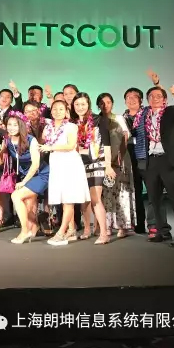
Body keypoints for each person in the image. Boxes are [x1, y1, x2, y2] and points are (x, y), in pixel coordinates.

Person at [140, 84, 174, 248]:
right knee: (154, 199)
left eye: (159, 96)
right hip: (151, 160)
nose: (155, 99)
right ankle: (162, 231)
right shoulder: (145, 115)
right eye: (151, 96)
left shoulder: (170, 112)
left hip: (167, 160)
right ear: (147, 100)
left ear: (164, 99)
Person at [39, 100, 90, 246]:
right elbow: (42, 141)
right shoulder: (48, 127)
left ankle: (61, 233)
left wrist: (50, 147)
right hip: (56, 164)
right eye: (55, 109)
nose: (57, 111)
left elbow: (70, 145)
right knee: (63, 199)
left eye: (61, 109)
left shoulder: (71, 126)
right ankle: (71, 230)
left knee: (68, 199)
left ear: (66, 111)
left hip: (70, 164)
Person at [70, 92, 115, 245]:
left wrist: (108, 165)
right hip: (79, 163)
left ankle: (103, 233)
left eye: (83, 104)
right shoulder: (72, 122)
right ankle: (87, 230)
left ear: (88, 104)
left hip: (97, 162)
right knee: (84, 199)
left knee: (95, 198)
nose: (80, 107)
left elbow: (107, 144)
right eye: (77, 104)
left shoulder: (99, 120)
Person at [123, 86, 166, 236]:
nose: (131, 100)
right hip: (130, 160)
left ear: (141, 100)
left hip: (147, 157)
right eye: (128, 97)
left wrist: (158, 84)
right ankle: (138, 224)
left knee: (154, 193)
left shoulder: (148, 113)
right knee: (135, 194)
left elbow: (162, 106)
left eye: (135, 97)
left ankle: (154, 224)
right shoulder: (122, 119)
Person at [5, 113, 49, 244]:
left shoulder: (31, 140)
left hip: (41, 174)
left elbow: (35, 164)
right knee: (29, 205)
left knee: (16, 196)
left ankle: (24, 231)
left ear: (21, 126)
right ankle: (33, 227)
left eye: (15, 125)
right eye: (9, 124)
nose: (12, 127)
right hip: (26, 175)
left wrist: (23, 182)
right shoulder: (7, 141)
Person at [97, 93, 136, 238]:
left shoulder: (119, 118)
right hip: (103, 160)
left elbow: (125, 138)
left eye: (108, 102)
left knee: (121, 192)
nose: (105, 105)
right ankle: (106, 225)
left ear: (112, 103)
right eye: (102, 103)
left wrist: (119, 158)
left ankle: (122, 225)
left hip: (120, 159)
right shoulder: (97, 120)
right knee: (106, 193)